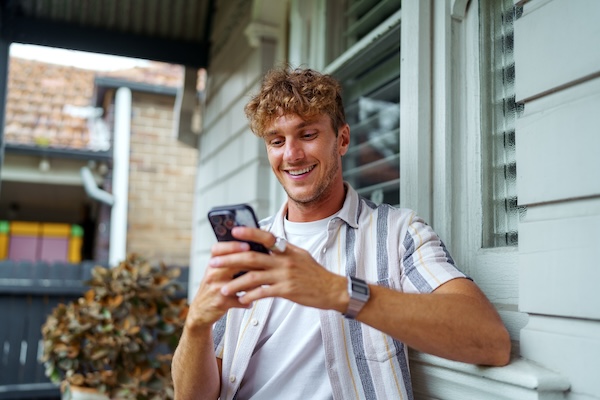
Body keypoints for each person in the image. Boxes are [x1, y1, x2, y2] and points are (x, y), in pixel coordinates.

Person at [172, 67, 511, 400]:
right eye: (277, 141)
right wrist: (196, 326)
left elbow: (490, 341)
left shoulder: (398, 233)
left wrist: (336, 290)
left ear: (343, 139)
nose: (291, 154)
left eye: (307, 135)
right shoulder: (249, 245)